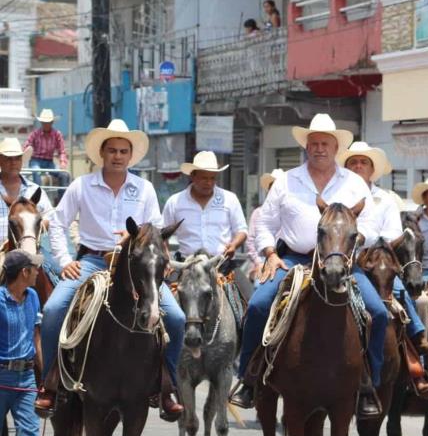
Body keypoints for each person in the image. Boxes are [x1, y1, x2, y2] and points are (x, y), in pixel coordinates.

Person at [228, 114, 388, 418]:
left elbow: (371, 223)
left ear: (336, 147)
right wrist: (270, 255)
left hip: (342, 264)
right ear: (306, 147)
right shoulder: (287, 181)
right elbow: (264, 223)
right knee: (260, 306)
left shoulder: (354, 183)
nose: (319, 149)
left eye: (324, 143)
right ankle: (248, 379)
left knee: (378, 313)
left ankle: (369, 383)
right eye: (313, 143)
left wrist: (354, 243)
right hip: (293, 261)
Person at [34, 119, 185, 420]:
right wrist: (65, 261)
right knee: (52, 311)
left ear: (131, 156)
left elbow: (153, 229)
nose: (117, 155)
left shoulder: (144, 188)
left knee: (178, 318)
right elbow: (58, 221)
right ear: (101, 154)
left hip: (134, 267)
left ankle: (167, 385)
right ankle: (50, 382)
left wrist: (136, 237)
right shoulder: (81, 185)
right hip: (91, 261)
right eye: (112, 150)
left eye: (123, 151)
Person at [338, 141, 428, 365]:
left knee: (405, 295)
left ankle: (417, 351)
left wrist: (371, 247)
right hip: (339, 262)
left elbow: (393, 234)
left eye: (363, 162)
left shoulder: (385, 199)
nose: (358, 166)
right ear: (345, 167)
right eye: (353, 162)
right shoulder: (336, 195)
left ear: (372, 169)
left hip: (376, 263)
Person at [0, 250, 44, 436]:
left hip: (26, 379)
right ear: (24, 272)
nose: (38, 272)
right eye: (34, 268)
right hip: (1, 377)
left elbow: (36, 337)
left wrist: (45, 375)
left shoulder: (34, 296)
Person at [162, 151, 248, 264]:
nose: (209, 183)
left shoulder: (230, 199)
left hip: (222, 264)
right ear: (192, 175)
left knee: (247, 283)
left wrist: (234, 245)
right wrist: (166, 259)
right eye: (204, 178)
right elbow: (162, 235)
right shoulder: (174, 202)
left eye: (212, 178)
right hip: (186, 266)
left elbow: (241, 230)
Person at [0, 138, 54, 245]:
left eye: (17, 158)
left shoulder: (34, 189)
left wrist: (35, 228)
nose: (13, 163)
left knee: (52, 261)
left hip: (28, 250)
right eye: (8, 159)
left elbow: (51, 216)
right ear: (0, 161)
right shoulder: (34, 190)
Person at [246, 168, 284, 283]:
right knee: (260, 286)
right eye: (273, 187)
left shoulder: (291, 214)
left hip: (286, 260)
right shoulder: (258, 212)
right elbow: (251, 241)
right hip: (262, 260)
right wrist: (258, 262)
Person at [23, 109, 69, 188]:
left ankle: (61, 198)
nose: (46, 124)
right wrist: (23, 157)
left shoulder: (57, 134)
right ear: (41, 123)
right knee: (37, 172)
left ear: (52, 123)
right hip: (36, 160)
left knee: (64, 175)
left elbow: (62, 151)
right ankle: (38, 196)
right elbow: (26, 146)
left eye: (48, 122)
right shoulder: (35, 133)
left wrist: (62, 162)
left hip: (49, 162)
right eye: (44, 123)